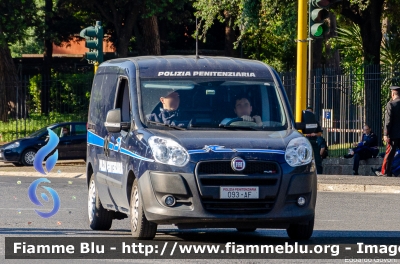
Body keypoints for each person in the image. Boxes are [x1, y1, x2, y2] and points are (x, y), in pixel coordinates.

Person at [376, 85, 400, 177]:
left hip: (393, 134)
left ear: (393, 93)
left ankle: (386, 172)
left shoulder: (391, 104)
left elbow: (388, 120)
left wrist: (386, 134)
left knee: (389, 154)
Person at [304, 106, 323, 174]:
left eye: (310, 112)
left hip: (314, 142)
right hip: (305, 142)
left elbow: (320, 133)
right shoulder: (303, 121)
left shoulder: (315, 122)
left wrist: (314, 134)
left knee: (317, 159)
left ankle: (319, 173)